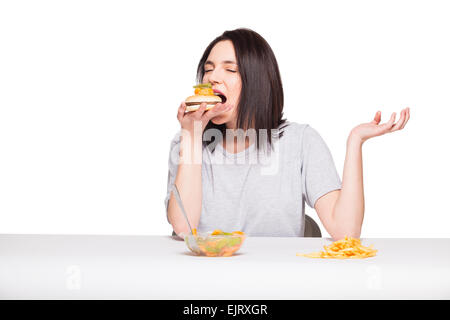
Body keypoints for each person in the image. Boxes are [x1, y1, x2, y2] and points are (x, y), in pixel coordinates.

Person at [165, 28, 410, 240]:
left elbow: (345, 230)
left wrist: (355, 141)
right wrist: (192, 135)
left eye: (230, 70)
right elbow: (184, 228)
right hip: (208, 280)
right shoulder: (187, 141)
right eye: (209, 69)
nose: (212, 78)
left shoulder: (300, 142)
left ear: (257, 81)